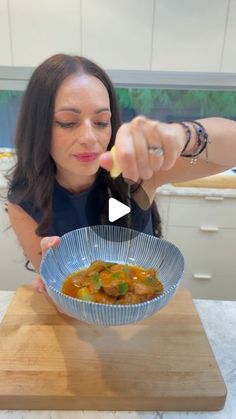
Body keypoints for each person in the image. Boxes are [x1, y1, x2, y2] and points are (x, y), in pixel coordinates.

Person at [6, 53, 236, 293]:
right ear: (38, 126)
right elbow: (61, 298)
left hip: (143, 318)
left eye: (101, 122)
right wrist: (55, 281)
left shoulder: (136, 172)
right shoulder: (24, 203)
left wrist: (184, 135)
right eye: (67, 122)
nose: (89, 138)